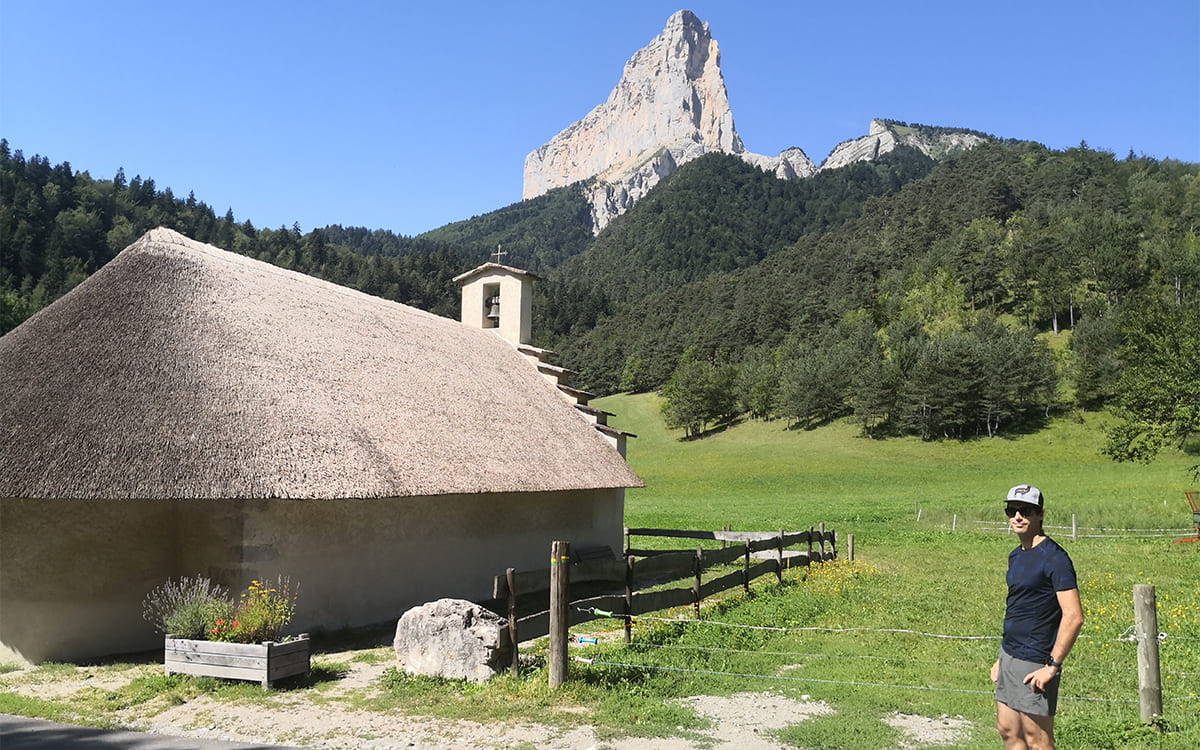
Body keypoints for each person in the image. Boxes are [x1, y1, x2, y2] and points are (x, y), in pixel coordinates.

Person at [990, 484, 1084, 750]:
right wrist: (1001, 659)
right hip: (1009, 655)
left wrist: (1051, 667)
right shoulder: (1015, 556)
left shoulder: (1055, 558)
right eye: (1012, 510)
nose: (1018, 517)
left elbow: (1074, 616)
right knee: (1008, 731)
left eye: (1026, 511)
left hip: (1036, 660)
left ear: (1040, 514)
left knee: (1038, 740)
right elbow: (1016, 608)